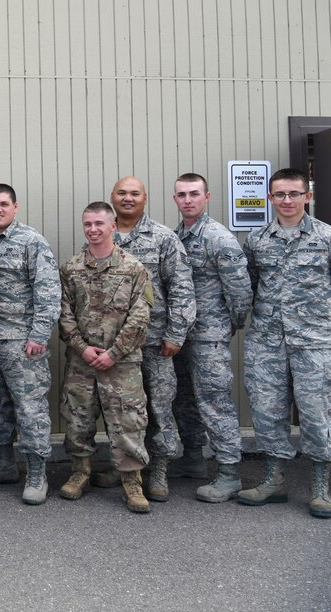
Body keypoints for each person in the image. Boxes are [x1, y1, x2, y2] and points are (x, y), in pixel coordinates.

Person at [240, 168, 331, 518]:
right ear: (270, 198)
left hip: (314, 342)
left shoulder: (324, 237)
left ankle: (321, 487)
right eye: (280, 194)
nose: (287, 200)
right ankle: (273, 480)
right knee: (267, 411)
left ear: (307, 196)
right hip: (267, 342)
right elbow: (248, 286)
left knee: (316, 413)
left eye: (294, 194)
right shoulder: (258, 239)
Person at [101, 176, 194, 501]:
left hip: (155, 343)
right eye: (122, 192)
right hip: (115, 347)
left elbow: (181, 287)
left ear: (146, 198)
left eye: (134, 193)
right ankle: (126, 467)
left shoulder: (163, 238)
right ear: (112, 197)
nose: (128, 198)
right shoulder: (102, 234)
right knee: (122, 408)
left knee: (159, 407)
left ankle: (159, 471)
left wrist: (176, 333)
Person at [58, 201, 153, 513]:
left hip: (121, 362)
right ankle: (81, 471)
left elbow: (140, 317)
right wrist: (82, 348)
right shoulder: (71, 268)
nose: (93, 230)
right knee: (77, 416)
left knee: (127, 420)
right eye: (88, 224)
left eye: (99, 224)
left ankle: (132, 481)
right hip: (81, 360)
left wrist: (113, 353)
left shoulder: (133, 269)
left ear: (114, 226)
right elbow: (64, 313)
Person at [0, 183, 61, 505]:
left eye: (3, 204)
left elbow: (49, 291)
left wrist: (39, 335)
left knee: (30, 408)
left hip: (22, 343)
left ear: (15, 207)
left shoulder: (31, 242)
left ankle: (37, 474)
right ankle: (3, 465)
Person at [170, 173, 252, 503]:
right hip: (180, 334)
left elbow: (240, 291)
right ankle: (192, 459)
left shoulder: (218, 238)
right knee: (185, 400)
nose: (187, 200)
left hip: (209, 336)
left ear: (208, 197)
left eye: (194, 194)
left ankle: (229, 473)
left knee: (214, 402)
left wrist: (230, 324)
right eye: (181, 195)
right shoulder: (178, 235)